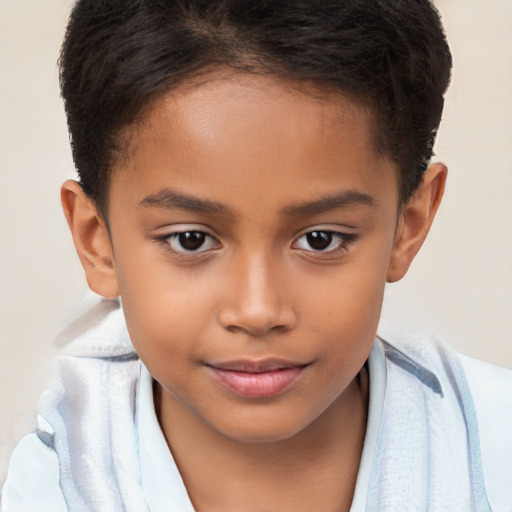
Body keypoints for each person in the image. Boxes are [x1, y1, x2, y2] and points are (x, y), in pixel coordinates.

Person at [2, 0, 511, 511]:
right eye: (191, 240)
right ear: (98, 241)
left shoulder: (495, 447)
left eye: (320, 239)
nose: (257, 310)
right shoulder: (53, 482)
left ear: (409, 224)